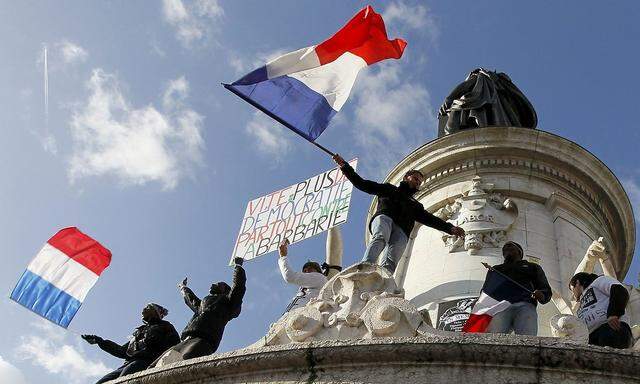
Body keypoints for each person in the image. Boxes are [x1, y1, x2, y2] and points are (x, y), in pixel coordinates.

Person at [332, 154, 465, 273]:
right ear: (406, 177)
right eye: (415, 178)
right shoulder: (389, 188)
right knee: (380, 237)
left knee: (393, 257)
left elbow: (431, 219)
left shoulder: (416, 205)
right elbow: (362, 184)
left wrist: (450, 228)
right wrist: (345, 167)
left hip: (402, 229)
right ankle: (366, 266)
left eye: (419, 182)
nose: (418, 183)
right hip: (385, 217)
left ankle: (384, 280)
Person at [154, 257, 246, 365]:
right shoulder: (203, 304)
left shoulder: (228, 302)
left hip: (204, 340)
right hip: (185, 339)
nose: (213, 284)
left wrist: (238, 267)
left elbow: (238, 287)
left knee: (184, 364)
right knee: (155, 365)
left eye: (218, 284)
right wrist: (183, 287)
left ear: (225, 290)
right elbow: (191, 299)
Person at [82, 303, 180, 383]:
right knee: (102, 382)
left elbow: (175, 345)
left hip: (147, 362)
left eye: (147, 307)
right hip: (128, 363)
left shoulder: (165, 326)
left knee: (124, 379)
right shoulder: (139, 332)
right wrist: (99, 341)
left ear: (155, 312)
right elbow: (121, 351)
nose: (143, 309)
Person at [486, 241, 551, 335]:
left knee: (527, 339)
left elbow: (544, 287)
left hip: (525, 305)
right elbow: (487, 289)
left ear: (519, 252)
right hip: (501, 306)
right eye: (505, 249)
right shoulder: (496, 269)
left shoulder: (532, 267)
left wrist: (542, 295)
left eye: (510, 247)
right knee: (493, 338)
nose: (507, 249)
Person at [570, 272, 633, 349]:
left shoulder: (598, 281)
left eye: (572, 289)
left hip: (611, 328)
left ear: (577, 282)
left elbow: (619, 290)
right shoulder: (579, 306)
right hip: (591, 337)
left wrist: (613, 313)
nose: (573, 294)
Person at [278, 239, 327, 312]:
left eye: (310, 269)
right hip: (290, 317)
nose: (307, 271)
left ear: (317, 270)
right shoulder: (306, 287)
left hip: (303, 318)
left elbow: (289, 276)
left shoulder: (319, 277)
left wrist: (283, 256)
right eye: (304, 271)